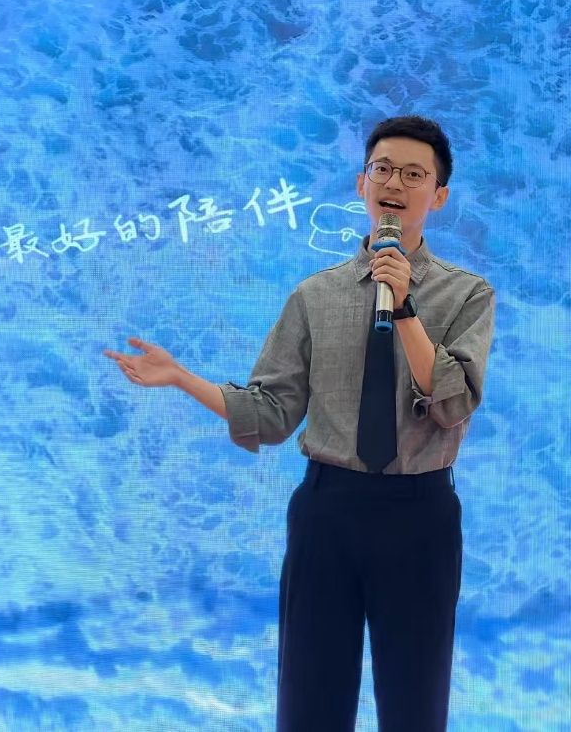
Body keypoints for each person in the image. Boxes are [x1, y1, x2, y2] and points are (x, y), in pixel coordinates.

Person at [104, 115, 495, 732]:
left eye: (413, 174)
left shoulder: (468, 295)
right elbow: (271, 412)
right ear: (362, 184)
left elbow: (453, 403)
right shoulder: (315, 296)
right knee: (309, 703)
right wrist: (182, 378)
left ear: (438, 195)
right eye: (383, 169)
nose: (395, 183)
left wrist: (405, 307)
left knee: (416, 707)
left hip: (420, 516)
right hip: (327, 513)